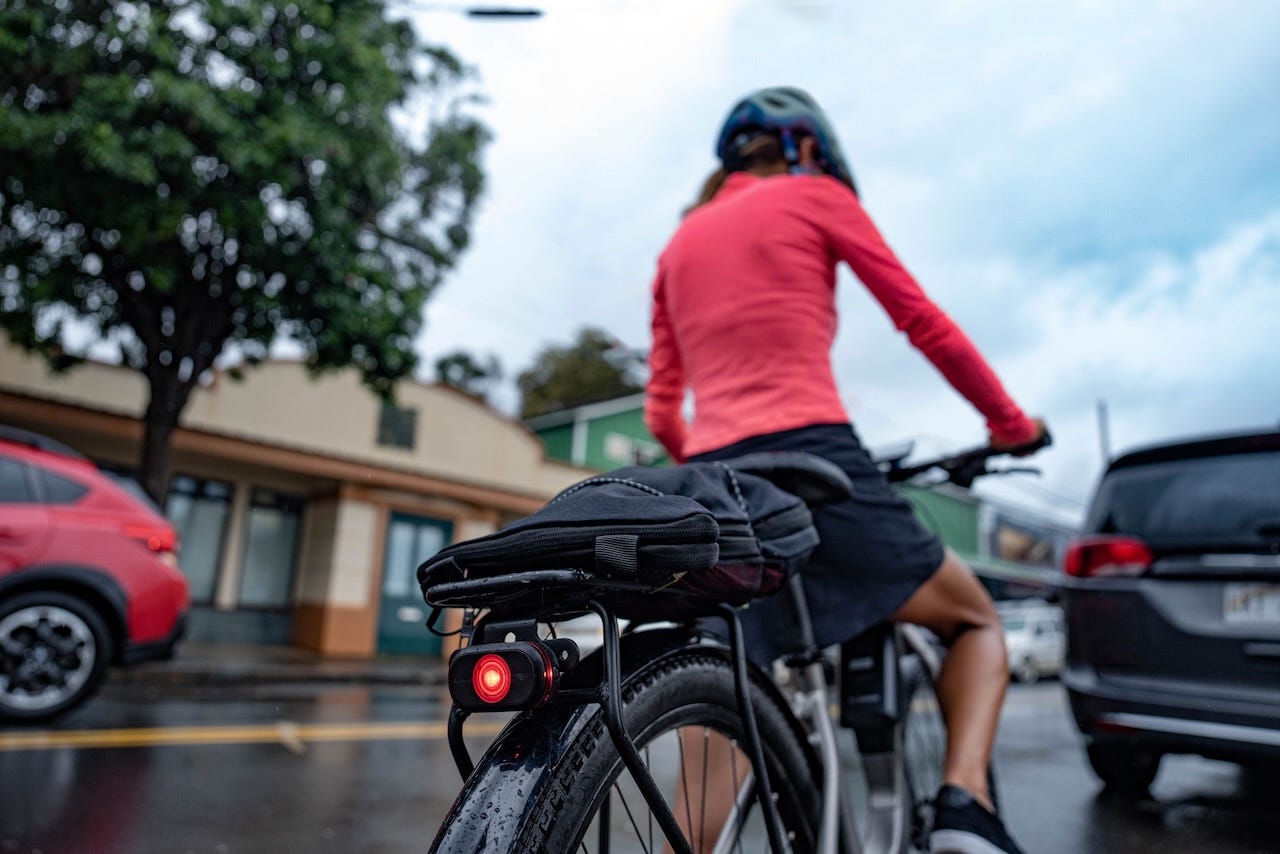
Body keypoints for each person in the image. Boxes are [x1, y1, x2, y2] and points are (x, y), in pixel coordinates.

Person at [644, 86, 1046, 854]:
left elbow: (665, 407)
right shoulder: (815, 196)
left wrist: (714, 463)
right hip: (816, 460)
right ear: (806, 148)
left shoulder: (678, 244)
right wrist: (1008, 424)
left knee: (710, 767)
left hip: (720, 490)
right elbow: (919, 320)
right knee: (975, 621)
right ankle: (966, 806)